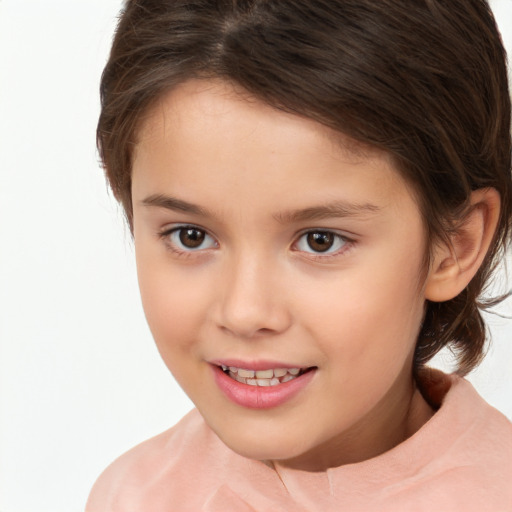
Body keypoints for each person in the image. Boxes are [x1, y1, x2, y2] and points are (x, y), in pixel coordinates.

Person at [86, 0, 512, 510]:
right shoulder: (133, 495)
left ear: (453, 246)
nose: (244, 312)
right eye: (191, 236)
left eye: (320, 241)